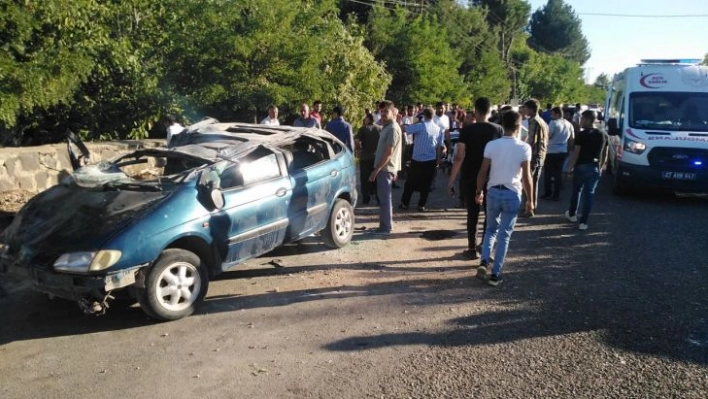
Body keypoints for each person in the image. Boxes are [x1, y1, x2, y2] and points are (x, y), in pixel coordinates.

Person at [474, 110, 534, 286]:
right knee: (504, 235)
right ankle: (495, 274)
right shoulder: (524, 148)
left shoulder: (492, 145)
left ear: (502, 124)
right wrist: (530, 200)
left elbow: (483, 171)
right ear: (519, 127)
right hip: (512, 192)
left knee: (490, 229)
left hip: (493, 191)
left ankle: (484, 260)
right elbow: (527, 176)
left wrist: (479, 191)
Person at [448, 97, 504, 260]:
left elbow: (459, 157)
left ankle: (472, 248)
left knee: (472, 213)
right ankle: (485, 246)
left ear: (476, 111)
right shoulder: (498, 129)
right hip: (491, 177)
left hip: (469, 176)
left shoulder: (466, 130)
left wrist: (451, 180)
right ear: (489, 110)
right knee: (490, 213)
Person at [564, 110, 608, 231]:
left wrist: (569, 168)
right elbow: (605, 154)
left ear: (589, 120)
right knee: (589, 194)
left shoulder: (582, 134)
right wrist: (600, 167)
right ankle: (583, 222)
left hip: (581, 166)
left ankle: (572, 214)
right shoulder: (603, 134)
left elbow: (576, 153)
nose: (580, 121)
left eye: (582, 119)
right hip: (594, 167)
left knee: (577, 190)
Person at [399, 107, 445, 212]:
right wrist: (438, 159)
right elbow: (439, 146)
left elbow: (405, 129)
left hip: (417, 160)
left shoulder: (420, 126)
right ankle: (421, 205)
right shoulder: (438, 129)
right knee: (426, 184)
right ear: (433, 116)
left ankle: (405, 203)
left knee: (410, 182)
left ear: (424, 115)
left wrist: (399, 121)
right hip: (431, 160)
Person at [368, 101, 402, 236]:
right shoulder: (387, 127)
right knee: (383, 198)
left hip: (385, 169)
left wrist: (376, 170)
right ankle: (384, 226)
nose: (382, 114)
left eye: (386, 112)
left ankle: (386, 227)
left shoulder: (393, 128)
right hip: (385, 168)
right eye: (381, 111)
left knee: (385, 199)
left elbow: (389, 152)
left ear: (393, 113)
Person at [522, 99, 548, 217]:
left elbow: (531, 139)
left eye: (526, 108)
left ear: (532, 109)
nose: (524, 110)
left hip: (533, 155)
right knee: (535, 182)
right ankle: (533, 205)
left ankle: (528, 208)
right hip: (541, 155)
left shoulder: (533, 121)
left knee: (528, 182)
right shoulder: (542, 121)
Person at [542, 106, 573, 201]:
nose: (551, 116)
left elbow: (549, 136)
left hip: (551, 150)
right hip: (563, 151)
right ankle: (556, 195)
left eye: (552, 114)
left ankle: (548, 193)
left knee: (547, 173)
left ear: (558, 114)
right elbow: (572, 138)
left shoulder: (553, 123)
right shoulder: (568, 124)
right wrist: (570, 149)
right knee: (558, 173)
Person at [355, 114, 382, 205]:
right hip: (377, 157)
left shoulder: (363, 129)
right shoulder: (380, 128)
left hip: (365, 157)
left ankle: (366, 198)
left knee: (364, 178)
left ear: (368, 119)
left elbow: (357, 141)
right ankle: (378, 198)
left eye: (365, 118)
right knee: (376, 178)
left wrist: (359, 149)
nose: (364, 119)